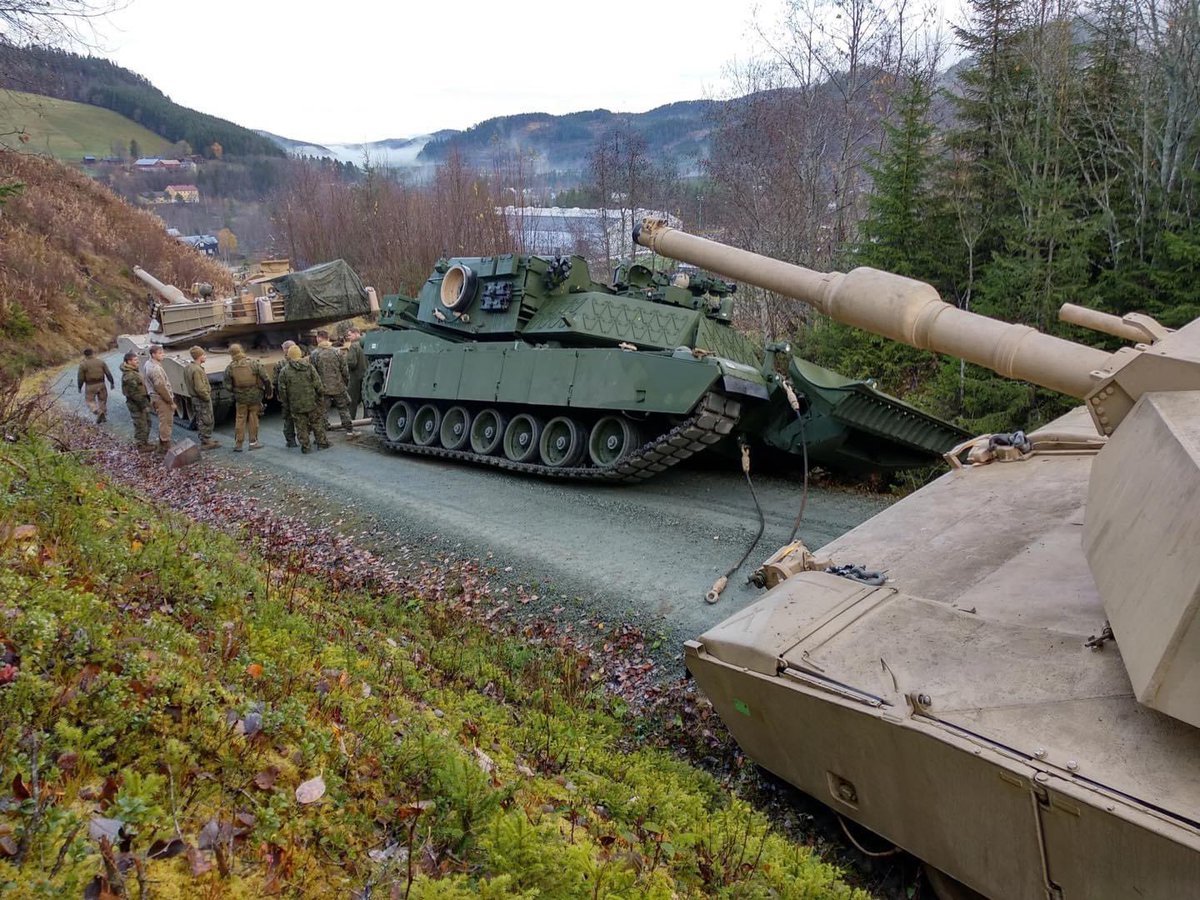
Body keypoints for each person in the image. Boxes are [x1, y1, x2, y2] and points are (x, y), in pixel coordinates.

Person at [275, 345, 326, 453]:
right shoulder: (309, 367)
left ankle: (306, 447)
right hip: (311, 401)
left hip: (295, 404)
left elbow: (282, 389)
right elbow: (318, 384)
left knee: (300, 426)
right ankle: (322, 443)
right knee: (316, 423)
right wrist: (320, 396)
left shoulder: (284, 371)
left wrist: (286, 402)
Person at [223, 343, 271, 452]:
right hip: (255, 396)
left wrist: (236, 391)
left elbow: (227, 385)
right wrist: (268, 391)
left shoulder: (230, 367)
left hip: (240, 398)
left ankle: (238, 444)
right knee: (254, 417)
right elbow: (266, 378)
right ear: (242, 350)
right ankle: (253, 442)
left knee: (240, 418)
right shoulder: (254, 363)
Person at [309, 330, 356, 438]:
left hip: (323, 388)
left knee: (322, 412)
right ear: (328, 338)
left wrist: (316, 388)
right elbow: (345, 371)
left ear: (318, 338)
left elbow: (313, 373)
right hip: (338, 386)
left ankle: (322, 434)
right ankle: (349, 431)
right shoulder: (337, 352)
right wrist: (345, 382)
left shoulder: (314, 354)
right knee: (343, 409)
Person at [141, 344, 176, 453]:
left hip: (156, 397)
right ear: (153, 354)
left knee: (164, 421)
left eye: (162, 352)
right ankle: (166, 446)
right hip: (161, 399)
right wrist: (170, 401)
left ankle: (162, 446)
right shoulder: (155, 369)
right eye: (160, 353)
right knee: (166, 422)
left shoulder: (148, 363)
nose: (163, 355)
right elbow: (161, 387)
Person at [185, 346, 220, 450]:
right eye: (204, 355)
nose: (205, 356)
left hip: (196, 398)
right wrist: (206, 397)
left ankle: (206, 439)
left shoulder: (189, 367)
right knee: (206, 418)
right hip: (201, 398)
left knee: (201, 417)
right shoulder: (197, 370)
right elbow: (199, 388)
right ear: (199, 356)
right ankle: (205, 441)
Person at [119, 350, 153, 451]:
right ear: (129, 361)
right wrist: (144, 405)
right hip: (136, 403)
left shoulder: (133, 372)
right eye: (135, 360)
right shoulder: (129, 375)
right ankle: (141, 445)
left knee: (147, 422)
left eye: (137, 359)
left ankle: (144, 443)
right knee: (141, 424)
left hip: (139, 401)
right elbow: (134, 393)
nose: (137, 361)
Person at [77, 348, 114, 424]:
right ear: (93, 353)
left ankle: (97, 410)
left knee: (90, 401)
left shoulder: (83, 364)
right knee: (102, 400)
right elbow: (108, 373)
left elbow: (80, 377)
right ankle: (102, 414)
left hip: (90, 385)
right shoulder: (101, 362)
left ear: (85, 355)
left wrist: (79, 387)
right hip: (101, 384)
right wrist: (112, 382)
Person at [273, 340, 299, 448]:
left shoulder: (280, 364)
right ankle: (305, 439)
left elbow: (276, 382)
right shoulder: (304, 362)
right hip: (303, 395)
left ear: (284, 350)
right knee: (303, 417)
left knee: (289, 418)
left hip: (287, 396)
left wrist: (279, 395)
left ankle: (291, 441)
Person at [343, 328, 367, 418]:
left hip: (355, 376)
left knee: (352, 399)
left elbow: (352, 362)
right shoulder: (367, 343)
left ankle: (351, 418)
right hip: (366, 375)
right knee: (365, 398)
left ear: (356, 333)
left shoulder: (354, 346)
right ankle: (367, 418)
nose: (348, 337)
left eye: (349, 335)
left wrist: (345, 361)